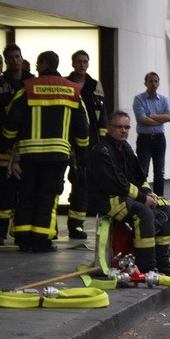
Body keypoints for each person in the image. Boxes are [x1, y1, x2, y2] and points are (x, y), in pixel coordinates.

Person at [1, 51, 90, 253]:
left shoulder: (27, 88)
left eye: (36, 63)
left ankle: (23, 238)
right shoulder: (72, 91)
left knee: (26, 194)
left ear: (43, 64)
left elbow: (12, 119)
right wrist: (82, 150)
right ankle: (41, 240)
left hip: (29, 155)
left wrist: (6, 143)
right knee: (48, 197)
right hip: (57, 156)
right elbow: (82, 126)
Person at [86, 111, 170, 277]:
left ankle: (163, 263)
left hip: (125, 197)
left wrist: (148, 193)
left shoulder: (125, 148)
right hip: (107, 200)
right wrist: (143, 199)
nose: (124, 131)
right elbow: (118, 185)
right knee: (144, 213)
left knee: (165, 209)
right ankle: (146, 267)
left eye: (127, 127)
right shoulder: (103, 151)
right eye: (119, 127)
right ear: (109, 128)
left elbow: (139, 177)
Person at [0, 44, 34, 245]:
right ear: (6, 61)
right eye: (11, 58)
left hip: (29, 147)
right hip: (4, 149)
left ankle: (21, 233)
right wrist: (4, 138)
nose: (15, 60)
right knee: (3, 193)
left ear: (22, 58)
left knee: (25, 192)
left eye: (17, 56)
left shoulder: (33, 83)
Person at [65, 49, 107, 239]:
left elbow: (101, 114)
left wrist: (101, 140)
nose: (82, 64)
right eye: (79, 61)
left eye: (85, 61)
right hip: (66, 140)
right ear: (73, 64)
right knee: (61, 182)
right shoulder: (65, 84)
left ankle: (76, 225)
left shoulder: (94, 85)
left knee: (81, 182)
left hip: (89, 142)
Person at [133, 71, 170, 197]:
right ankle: (143, 198)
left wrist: (152, 116)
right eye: (151, 81)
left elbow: (169, 117)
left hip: (160, 140)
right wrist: (160, 119)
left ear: (159, 83)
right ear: (145, 83)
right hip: (144, 140)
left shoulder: (164, 99)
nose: (153, 84)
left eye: (156, 81)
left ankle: (159, 200)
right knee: (143, 171)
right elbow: (142, 119)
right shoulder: (139, 99)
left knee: (159, 172)